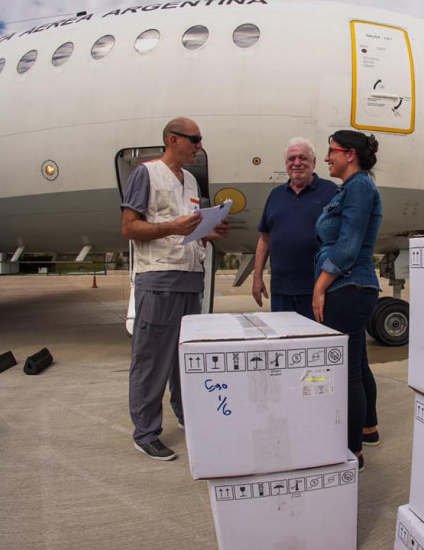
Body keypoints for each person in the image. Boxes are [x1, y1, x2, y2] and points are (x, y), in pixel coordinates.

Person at [120, 117, 229, 461]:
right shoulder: (146, 174)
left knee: (184, 358)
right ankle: (146, 432)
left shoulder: (193, 181)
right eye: (194, 139)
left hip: (189, 276)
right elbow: (129, 227)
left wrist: (209, 231)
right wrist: (173, 226)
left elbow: (188, 227)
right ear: (172, 139)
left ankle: (185, 415)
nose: (199, 145)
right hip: (159, 279)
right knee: (152, 358)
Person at [313, 129, 383, 470]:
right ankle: (367, 428)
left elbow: (348, 245)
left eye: (332, 152)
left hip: (348, 286)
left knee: (347, 374)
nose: (327, 158)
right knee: (357, 364)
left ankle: (351, 450)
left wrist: (320, 286)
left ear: (350, 155)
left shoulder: (359, 187)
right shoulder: (354, 188)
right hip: (351, 286)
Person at [252, 137, 338, 319]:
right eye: (291, 159)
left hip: (317, 290)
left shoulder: (331, 192)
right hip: (281, 291)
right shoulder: (275, 195)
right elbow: (264, 238)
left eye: (303, 158)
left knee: (316, 344)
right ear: (286, 164)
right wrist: (257, 277)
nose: (297, 163)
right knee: (285, 343)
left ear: (313, 162)